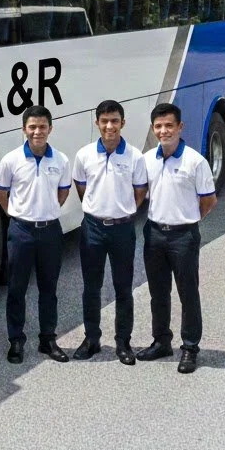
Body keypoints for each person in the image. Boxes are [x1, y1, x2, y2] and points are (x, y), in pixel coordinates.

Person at [138, 102, 218, 374]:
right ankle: (161, 341)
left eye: (169, 125)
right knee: (158, 292)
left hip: (183, 235)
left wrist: (189, 221)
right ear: (153, 129)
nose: (164, 131)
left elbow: (208, 200)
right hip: (154, 233)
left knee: (188, 293)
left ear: (180, 127)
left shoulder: (195, 161)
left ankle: (190, 347)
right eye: (158, 126)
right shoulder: (147, 159)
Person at [71, 99, 148, 365]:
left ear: (123, 123)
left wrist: (121, 211)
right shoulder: (84, 155)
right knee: (91, 287)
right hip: (92, 228)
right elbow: (81, 187)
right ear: (97, 123)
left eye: (115, 120)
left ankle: (123, 342)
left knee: (123, 287)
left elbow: (140, 193)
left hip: (122, 229)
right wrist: (99, 210)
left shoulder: (135, 156)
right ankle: (91, 339)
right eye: (104, 121)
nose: (109, 126)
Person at [0, 105, 71, 364]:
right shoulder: (11, 160)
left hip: (50, 231)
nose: (37, 132)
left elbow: (62, 193)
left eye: (42, 127)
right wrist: (18, 215)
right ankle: (16, 340)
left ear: (51, 128)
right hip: (21, 231)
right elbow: (1, 194)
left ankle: (47, 339)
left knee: (49, 288)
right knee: (17, 288)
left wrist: (45, 212)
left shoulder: (60, 160)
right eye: (32, 127)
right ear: (24, 129)